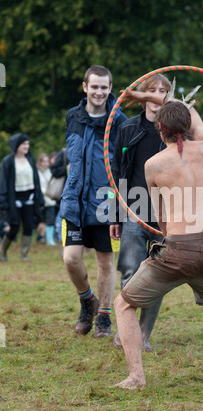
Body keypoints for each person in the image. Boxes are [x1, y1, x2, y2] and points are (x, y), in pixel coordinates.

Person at [113, 89, 203, 389]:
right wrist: (172, 101)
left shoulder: (153, 165)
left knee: (123, 305)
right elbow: (192, 117)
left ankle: (136, 377)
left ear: (159, 130)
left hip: (177, 250)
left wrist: (170, 242)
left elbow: (161, 217)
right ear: (187, 127)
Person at [60, 65, 127, 338]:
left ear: (110, 89)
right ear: (85, 87)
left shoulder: (120, 122)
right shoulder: (72, 117)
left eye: (104, 87)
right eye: (94, 86)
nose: (99, 91)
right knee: (70, 259)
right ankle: (87, 301)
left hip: (105, 203)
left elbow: (122, 166)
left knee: (105, 264)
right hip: (74, 202)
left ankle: (104, 317)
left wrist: (119, 208)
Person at [110, 74, 171, 351]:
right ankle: (125, 334)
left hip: (166, 219)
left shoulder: (176, 133)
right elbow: (118, 173)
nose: (158, 95)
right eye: (152, 90)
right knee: (130, 273)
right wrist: (115, 214)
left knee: (157, 279)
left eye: (163, 91)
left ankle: (143, 336)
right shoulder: (127, 129)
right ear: (143, 95)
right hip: (134, 213)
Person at [0, 133, 44, 262]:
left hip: (29, 198)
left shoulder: (30, 158)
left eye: (28, 144)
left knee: (29, 226)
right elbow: (3, 182)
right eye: (24, 144)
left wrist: (39, 198)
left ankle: (24, 255)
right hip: (14, 199)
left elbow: (36, 180)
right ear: (16, 145)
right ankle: (2, 252)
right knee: (13, 228)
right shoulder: (8, 161)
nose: (27, 146)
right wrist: (3, 202)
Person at [36, 153, 57, 246]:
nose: (45, 163)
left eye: (47, 161)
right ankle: (40, 236)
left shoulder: (50, 172)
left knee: (50, 220)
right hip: (41, 200)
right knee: (39, 220)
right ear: (40, 162)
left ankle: (49, 239)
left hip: (50, 200)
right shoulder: (37, 172)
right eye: (43, 161)